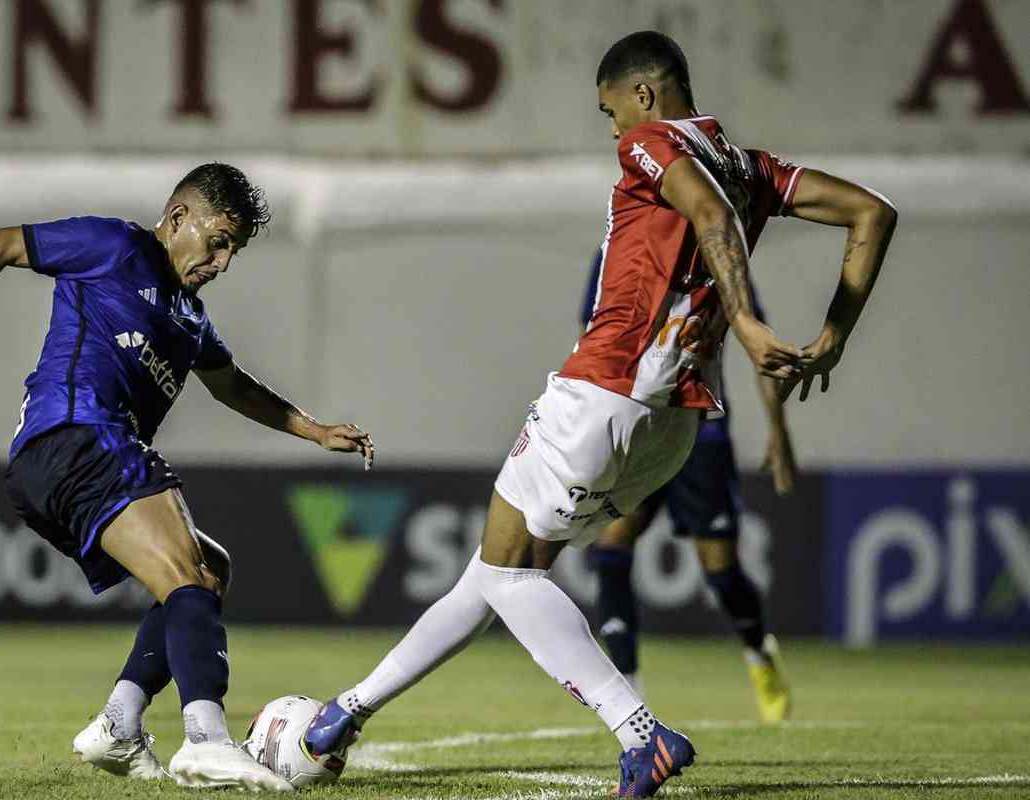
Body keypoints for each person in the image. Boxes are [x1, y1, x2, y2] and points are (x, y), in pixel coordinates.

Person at [302, 30, 896, 799]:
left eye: (609, 110)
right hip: (675, 424)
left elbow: (708, 214)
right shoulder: (755, 168)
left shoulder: (651, 141)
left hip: (606, 390)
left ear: (644, 95)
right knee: (498, 571)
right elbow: (872, 214)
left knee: (508, 573)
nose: (612, 129)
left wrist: (747, 322)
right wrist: (833, 340)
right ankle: (344, 714)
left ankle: (640, 733)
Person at [0, 163, 375, 791]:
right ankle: (206, 738)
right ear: (179, 218)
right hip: (77, 435)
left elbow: (233, 386)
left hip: (58, 464)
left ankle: (118, 724)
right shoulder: (118, 246)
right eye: (217, 241)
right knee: (189, 571)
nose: (224, 261)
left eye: (234, 249)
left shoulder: (191, 317)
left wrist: (315, 430)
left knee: (209, 572)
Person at [580, 249, 797, 722]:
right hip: (639, 428)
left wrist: (779, 433)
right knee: (611, 548)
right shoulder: (615, 250)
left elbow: (759, 344)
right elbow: (595, 341)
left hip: (702, 431)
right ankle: (627, 695)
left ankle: (759, 650)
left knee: (720, 570)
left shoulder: (718, 253)